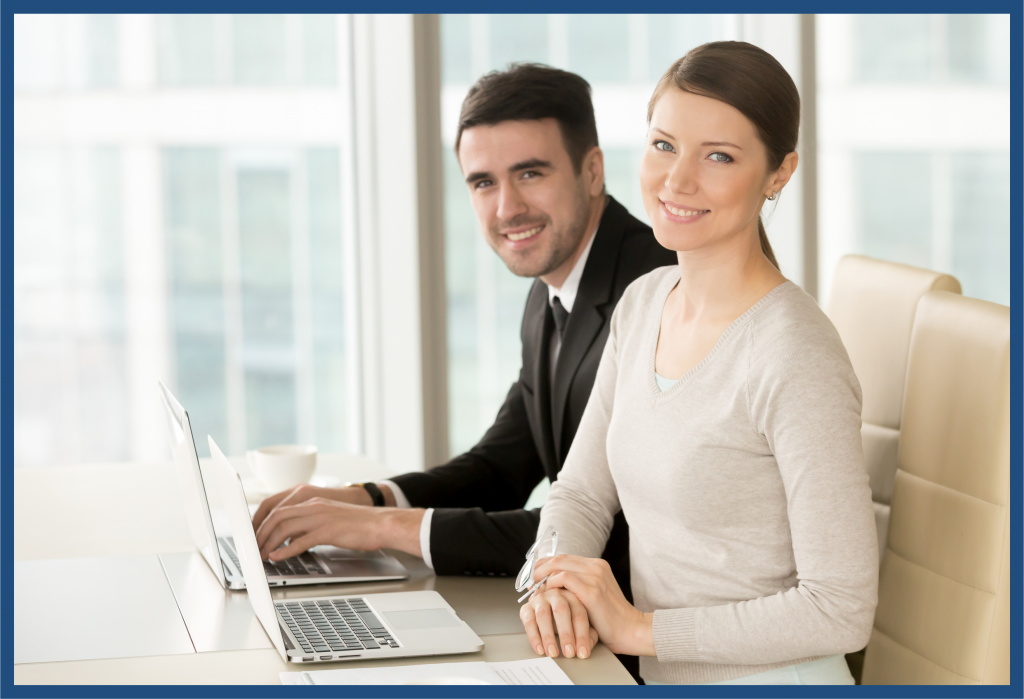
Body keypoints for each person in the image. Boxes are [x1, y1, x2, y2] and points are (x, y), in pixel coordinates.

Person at [251, 64, 676, 675]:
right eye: (482, 182)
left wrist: (378, 529)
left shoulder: (655, 290)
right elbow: (501, 466)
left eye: (530, 173)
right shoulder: (552, 291)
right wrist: (361, 498)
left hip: (653, 652)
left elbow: (613, 536)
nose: (508, 207)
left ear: (592, 170)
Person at [519, 42, 878, 685]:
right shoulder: (644, 302)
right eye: (664, 145)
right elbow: (579, 492)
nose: (677, 180)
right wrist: (550, 582)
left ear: (779, 173)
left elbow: (841, 608)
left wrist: (636, 629)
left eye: (718, 156)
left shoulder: (794, 354)